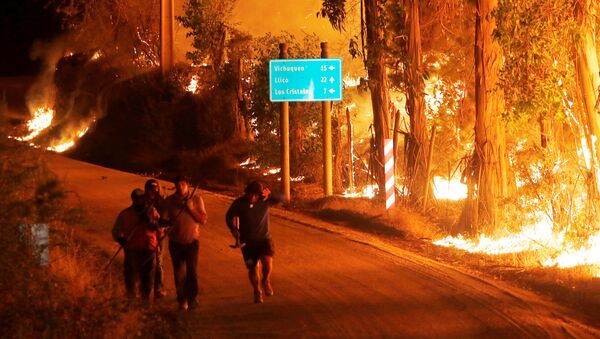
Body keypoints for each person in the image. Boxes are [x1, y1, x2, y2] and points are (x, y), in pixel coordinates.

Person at [225, 181, 281, 304]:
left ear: (260, 194)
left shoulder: (266, 200)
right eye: (250, 194)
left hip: (264, 238)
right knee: (253, 267)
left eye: (255, 195)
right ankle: (257, 290)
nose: (252, 197)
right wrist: (233, 229)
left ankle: (265, 280)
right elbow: (228, 217)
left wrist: (271, 194)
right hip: (247, 242)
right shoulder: (239, 203)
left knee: (267, 262)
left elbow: (284, 198)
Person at [163, 175, 208, 311]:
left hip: (192, 242)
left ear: (188, 185)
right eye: (177, 185)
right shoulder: (169, 201)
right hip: (175, 242)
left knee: (192, 272)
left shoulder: (196, 199)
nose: (180, 187)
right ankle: (181, 299)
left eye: (183, 184)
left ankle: (192, 298)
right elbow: (163, 219)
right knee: (178, 273)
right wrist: (166, 223)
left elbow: (203, 220)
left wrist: (191, 208)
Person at [111, 188, 160, 301]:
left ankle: (145, 300)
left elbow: (158, 228)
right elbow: (115, 230)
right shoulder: (125, 213)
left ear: (144, 199)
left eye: (141, 198)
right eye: (136, 198)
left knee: (147, 277)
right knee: (131, 276)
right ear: (133, 199)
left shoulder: (152, 211)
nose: (139, 200)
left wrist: (149, 221)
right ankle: (131, 299)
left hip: (149, 248)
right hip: (132, 248)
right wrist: (121, 239)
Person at [144, 179, 167, 299]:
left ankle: (158, 288)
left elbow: (166, 216)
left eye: (155, 188)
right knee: (147, 261)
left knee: (159, 262)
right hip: (146, 235)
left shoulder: (162, 201)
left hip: (159, 234)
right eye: (150, 189)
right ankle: (146, 288)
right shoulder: (142, 201)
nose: (153, 191)